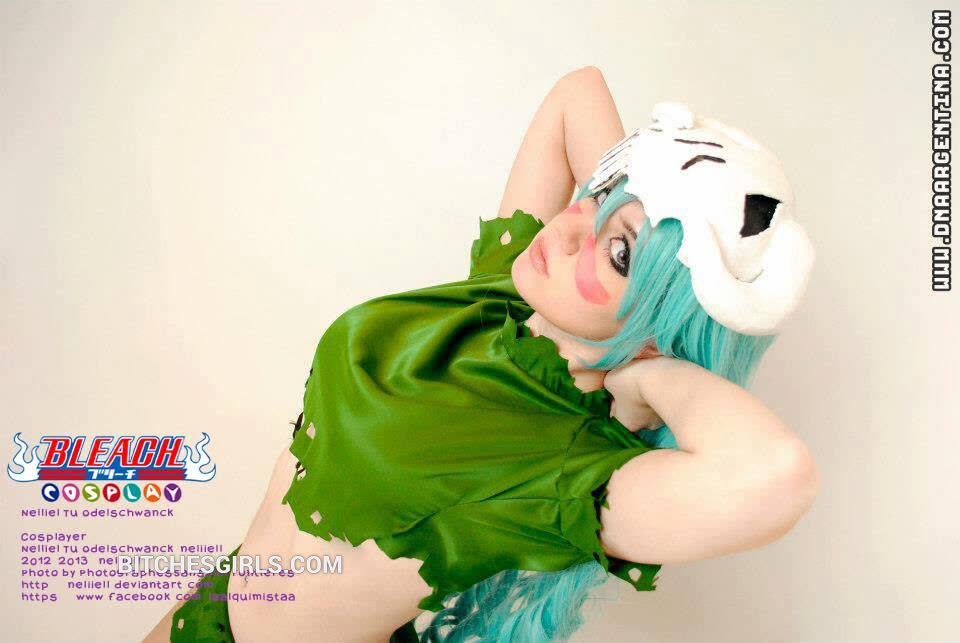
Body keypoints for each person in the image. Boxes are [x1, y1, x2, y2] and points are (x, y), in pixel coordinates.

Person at [142, 66, 819, 643]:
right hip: (214, 604)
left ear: (652, 325)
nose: (570, 227)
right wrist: (651, 182)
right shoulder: (505, 290)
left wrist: (652, 371)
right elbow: (576, 93)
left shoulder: (567, 463)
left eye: (618, 253)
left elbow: (775, 476)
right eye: (599, 194)